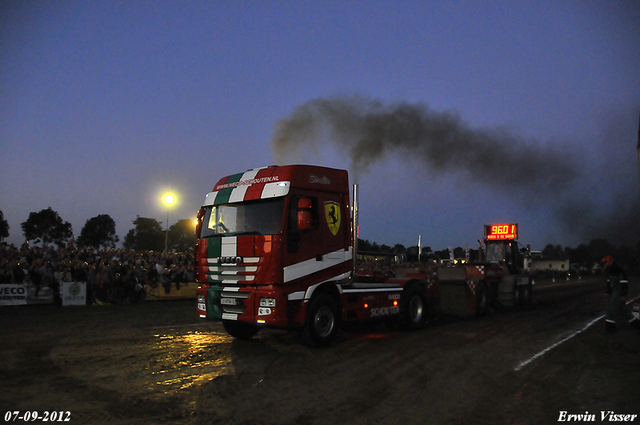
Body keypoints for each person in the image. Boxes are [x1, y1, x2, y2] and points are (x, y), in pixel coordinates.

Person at [602, 255, 638, 333]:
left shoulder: (619, 270)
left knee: (611, 310)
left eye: (605, 262)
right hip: (615, 292)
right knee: (622, 309)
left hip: (618, 293)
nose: (604, 264)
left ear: (610, 262)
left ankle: (610, 329)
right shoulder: (610, 271)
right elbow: (609, 282)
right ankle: (635, 323)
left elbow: (624, 283)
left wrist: (623, 295)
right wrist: (608, 292)